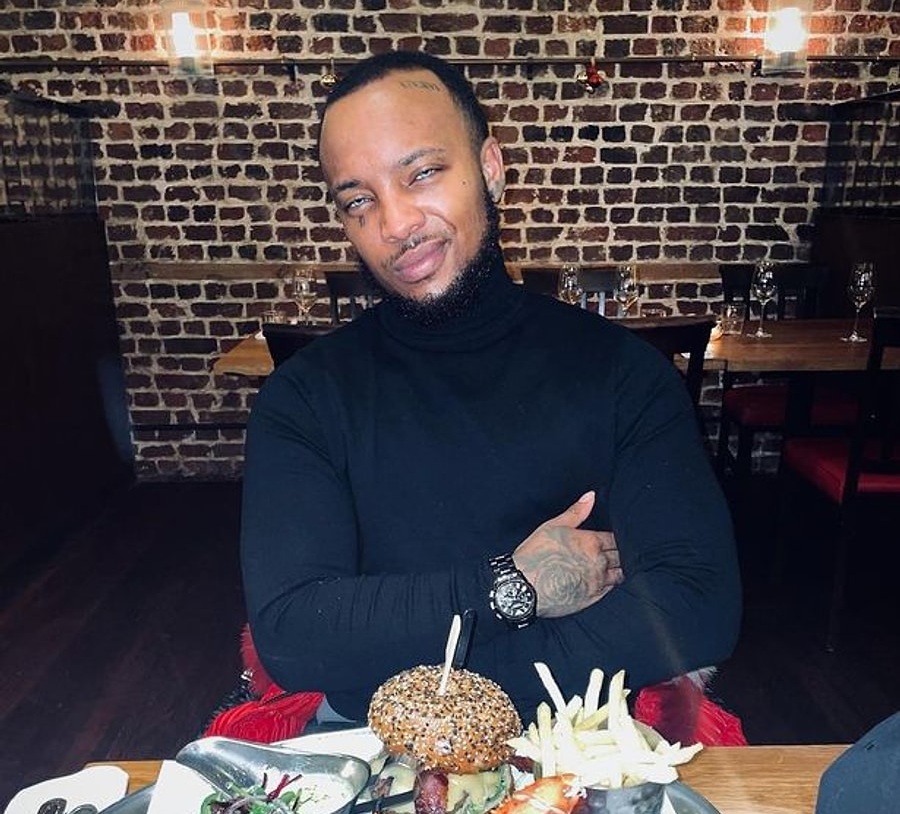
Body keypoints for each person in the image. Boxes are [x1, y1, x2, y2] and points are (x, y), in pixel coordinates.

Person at [240, 49, 741, 728]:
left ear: (491, 167)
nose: (395, 224)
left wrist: (420, 669)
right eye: (359, 200)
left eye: (421, 173)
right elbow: (295, 633)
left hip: (578, 738)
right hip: (373, 742)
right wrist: (510, 587)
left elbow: (698, 603)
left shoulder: (624, 373)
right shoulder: (303, 398)